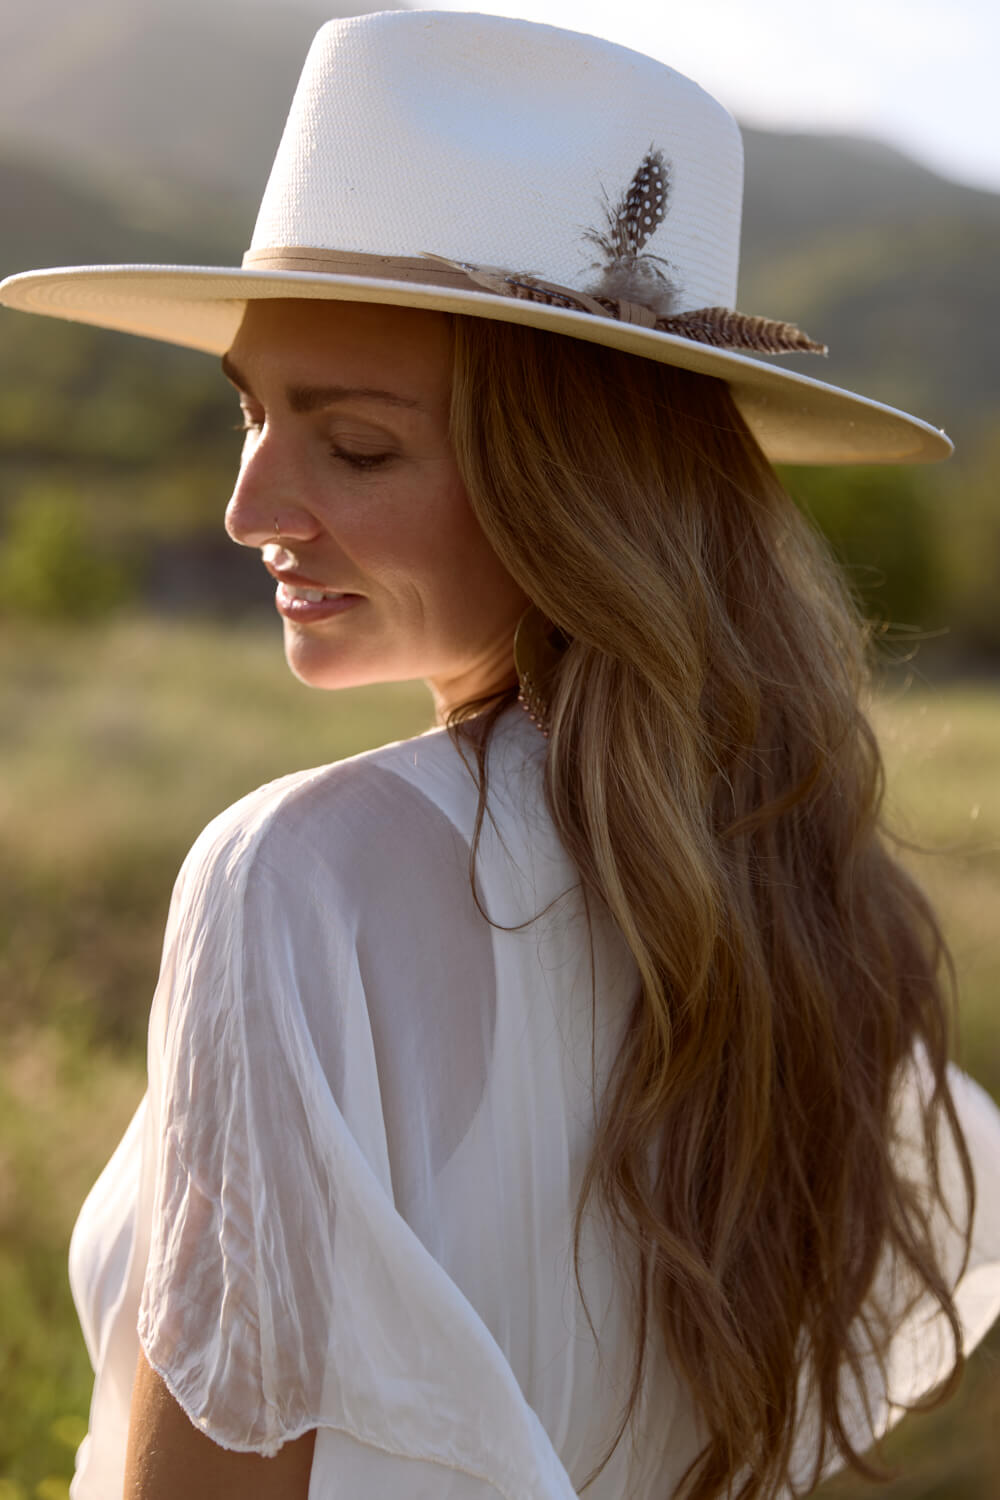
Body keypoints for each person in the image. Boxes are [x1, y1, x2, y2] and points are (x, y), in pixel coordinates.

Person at [2, 11, 998, 1500]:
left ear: (580, 489)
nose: (248, 508)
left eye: (357, 445)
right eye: (251, 414)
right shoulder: (794, 881)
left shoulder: (293, 881)